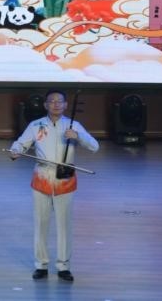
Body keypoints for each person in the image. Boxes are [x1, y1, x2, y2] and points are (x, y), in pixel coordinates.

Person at [10, 89, 98, 283]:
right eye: (52, 101)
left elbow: (94, 146)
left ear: (66, 105)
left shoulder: (74, 125)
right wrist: (15, 151)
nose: (56, 104)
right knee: (41, 223)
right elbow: (21, 144)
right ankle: (41, 265)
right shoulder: (36, 125)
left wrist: (78, 136)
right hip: (42, 176)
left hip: (64, 178)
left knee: (64, 224)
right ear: (45, 105)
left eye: (60, 101)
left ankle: (64, 266)